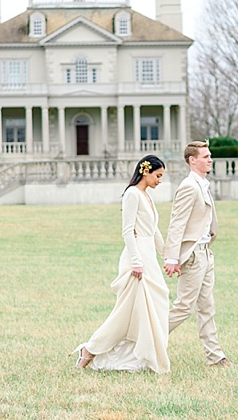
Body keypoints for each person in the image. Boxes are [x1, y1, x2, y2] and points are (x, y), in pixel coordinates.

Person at [71, 155, 170, 373]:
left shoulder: (147, 197)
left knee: (155, 304)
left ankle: (143, 353)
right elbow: (127, 231)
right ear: (146, 171)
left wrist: (167, 256)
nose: (160, 181)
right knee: (124, 312)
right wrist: (136, 262)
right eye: (158, 175)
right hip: (137, 259)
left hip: (149, 257)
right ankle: (89, 350)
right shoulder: (132, 194)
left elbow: (154, 231)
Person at [164, 141, 232, 367]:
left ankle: (215, 357)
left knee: (207, 307)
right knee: (184, 307)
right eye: (205, 156)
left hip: (205, 253)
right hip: (192, 256)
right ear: (192, 160)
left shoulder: (203, 184)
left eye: (209, 155)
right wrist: (172, 258)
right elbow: (177, 223)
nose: (210, 159)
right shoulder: (188, 186)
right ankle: (145, 340)